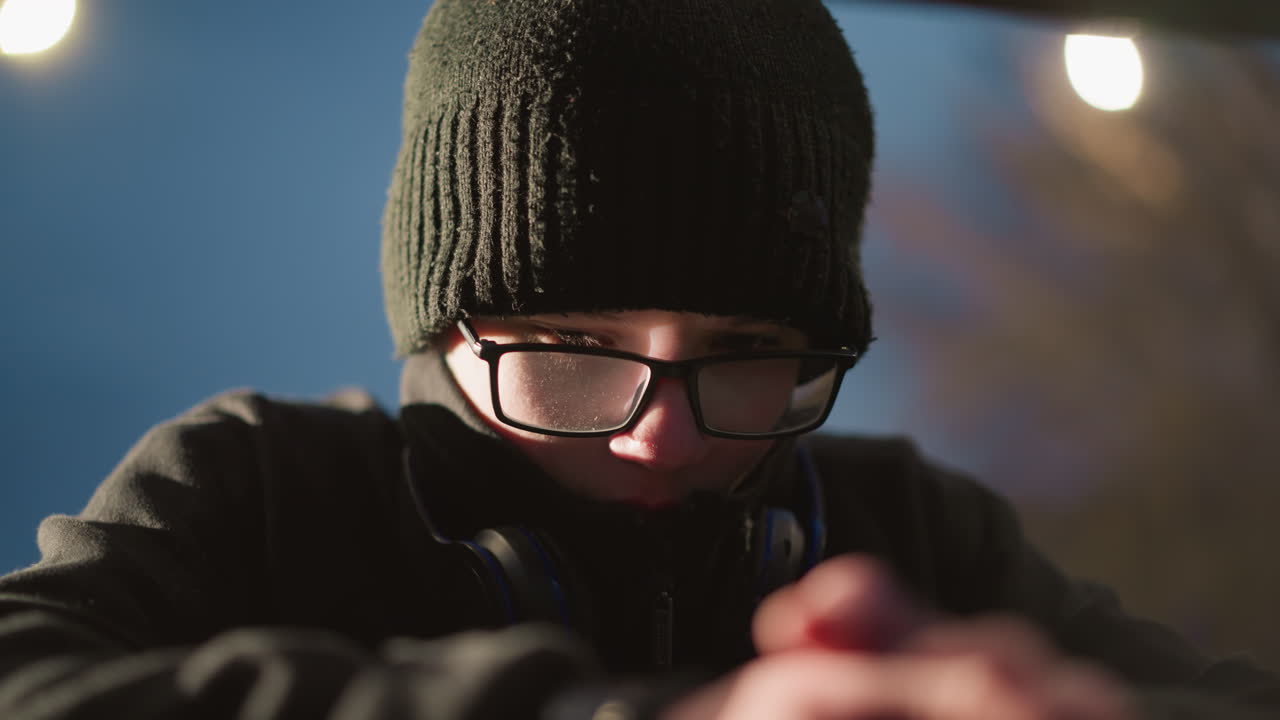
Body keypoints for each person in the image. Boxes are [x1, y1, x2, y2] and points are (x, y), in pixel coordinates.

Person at [1, 0, 1277, 718]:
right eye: (572, 350)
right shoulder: (259, 488)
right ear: (449, 331)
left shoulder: (913, 529)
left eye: (746, 354)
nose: (660, 437)